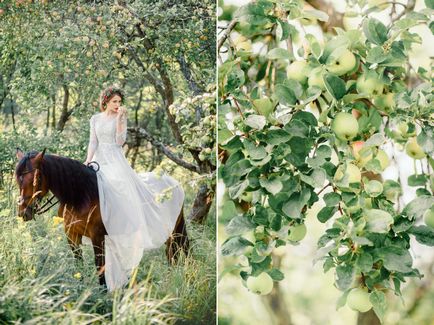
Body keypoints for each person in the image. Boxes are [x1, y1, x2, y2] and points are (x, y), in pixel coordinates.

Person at [84, 86, 185, 291]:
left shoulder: (120, 117)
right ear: (105, 101)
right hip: (98, 159)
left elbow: (120, 142)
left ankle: (123, 227)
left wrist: (121, 121)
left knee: (119, 186)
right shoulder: (95, 119)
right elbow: (92, 142)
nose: (117, 105)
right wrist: (87, 161)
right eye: (114, 102)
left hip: (115, 159)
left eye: (119, 102)